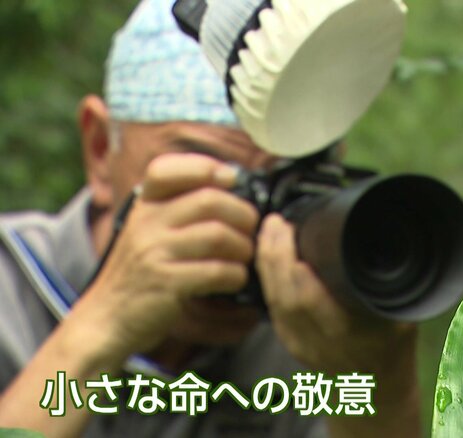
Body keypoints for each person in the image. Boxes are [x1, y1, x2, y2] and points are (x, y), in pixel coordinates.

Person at [0, 0, 420, 436]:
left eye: (281, 189)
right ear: (101, 149)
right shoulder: (11, 290)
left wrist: (382, 387)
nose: (245, 227)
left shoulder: (312, 332)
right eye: (211, 179)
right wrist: (100, 327)